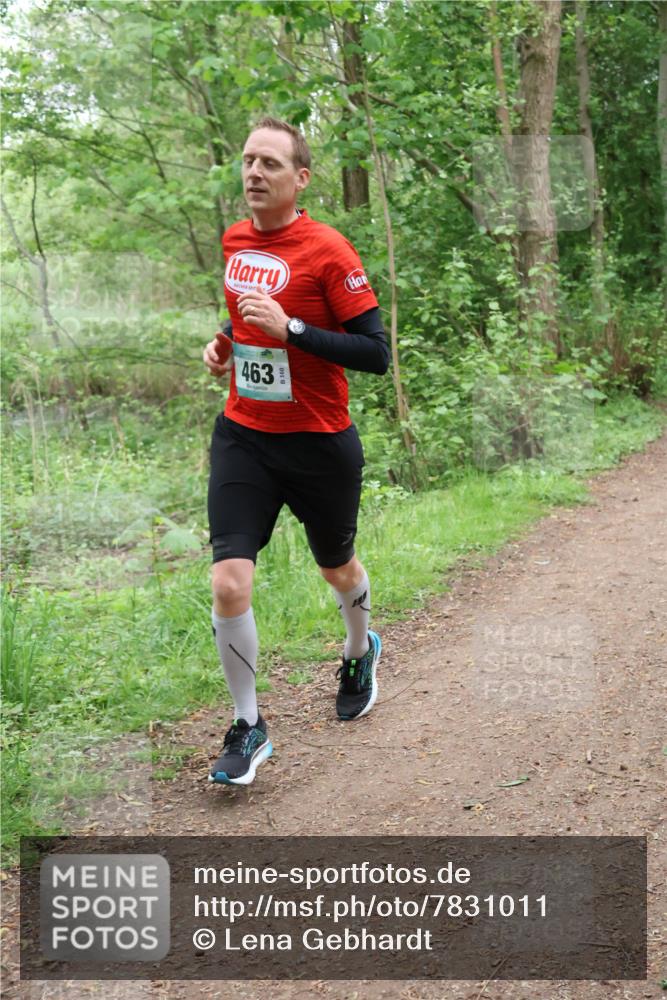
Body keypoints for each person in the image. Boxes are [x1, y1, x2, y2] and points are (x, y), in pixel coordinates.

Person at [202, 117, 389, 786]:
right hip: (244, 435)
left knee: (337, 568)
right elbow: (243, 307)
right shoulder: (234, 239)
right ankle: (248, 725)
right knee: (228, 579)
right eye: (247, 160)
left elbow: (376, 354)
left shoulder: (329, 251)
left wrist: (295, 330)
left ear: (300, 178)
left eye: (269, 164)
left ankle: (358, 645)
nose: (253, 173)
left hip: (318, 444)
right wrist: (225, 341)